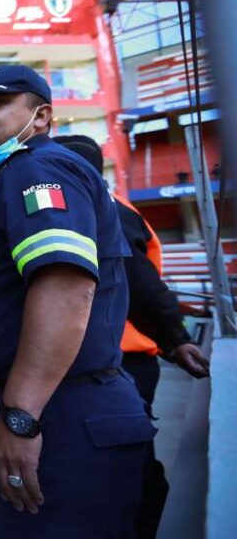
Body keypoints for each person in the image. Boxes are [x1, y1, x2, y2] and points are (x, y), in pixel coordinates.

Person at [0, 65, 154, 538]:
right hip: (54, 409)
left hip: (59, 413)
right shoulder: (11, 179)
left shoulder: (38, 168)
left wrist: (19, 417)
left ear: (42, 117)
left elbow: (65, 286)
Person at [53, 134, 210, 539]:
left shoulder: (100, 209)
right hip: (117, 360)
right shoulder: (117, 207)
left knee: (126, 467)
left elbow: (139, 282)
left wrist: (175, 338)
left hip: (119, 363)